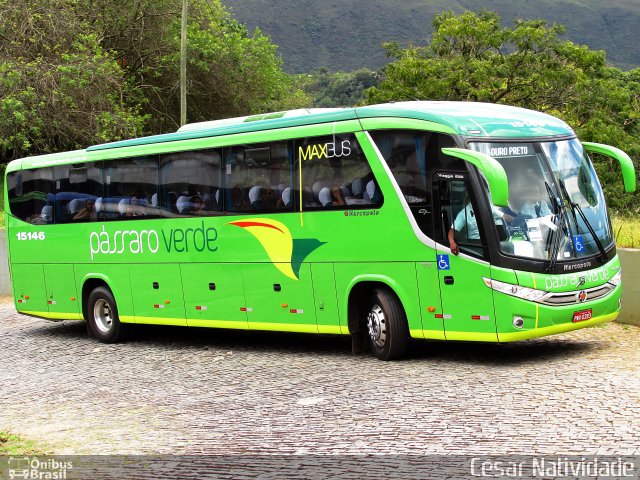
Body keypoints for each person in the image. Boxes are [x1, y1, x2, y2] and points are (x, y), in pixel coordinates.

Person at [448, 199, 513, 255]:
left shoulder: (487, 206)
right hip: (476, 243)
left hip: (490, 240)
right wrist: (451, 242)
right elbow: (452, 230)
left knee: (509, 247)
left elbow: (504, 216)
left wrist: (516, 219)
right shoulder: (463, 213)